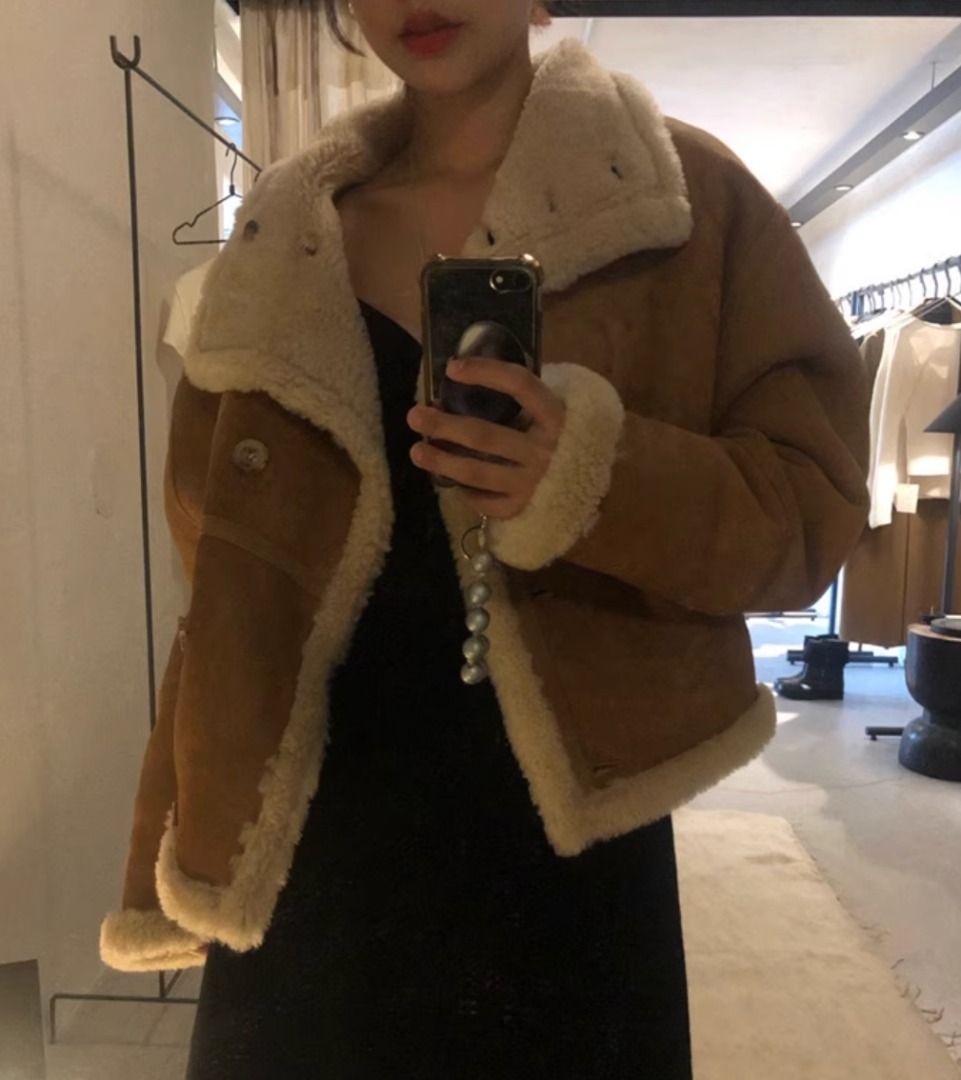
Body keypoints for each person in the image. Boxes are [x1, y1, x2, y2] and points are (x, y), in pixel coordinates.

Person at [98, 2, 871, 1077]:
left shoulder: (680, 203)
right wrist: (175, 829)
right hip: (312, 838)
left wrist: (596, 478)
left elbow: (810, 508)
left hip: (563, 841)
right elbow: (219, 572)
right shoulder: (286, 231)